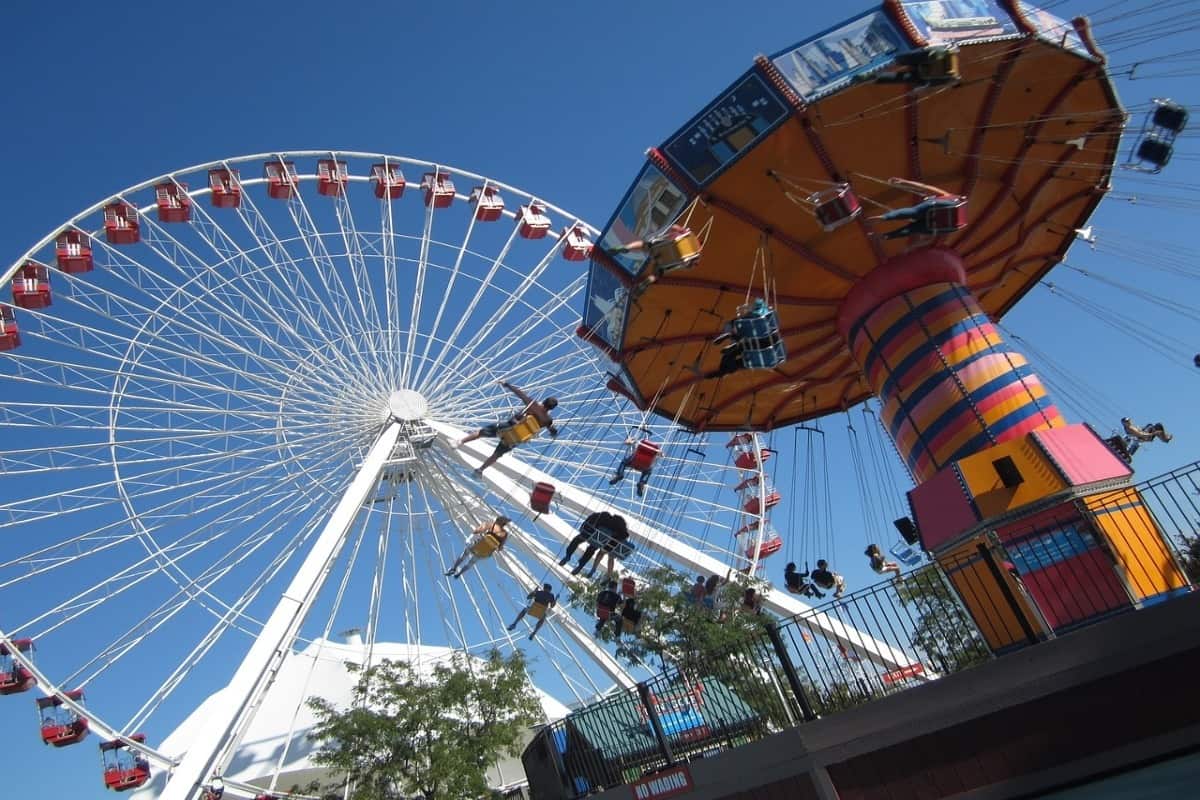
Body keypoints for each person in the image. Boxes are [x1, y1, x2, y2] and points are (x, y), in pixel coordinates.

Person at [457, 380, 559, 474]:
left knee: (481, 433)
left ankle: (460, 442)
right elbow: (552, 430)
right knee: (497, 454)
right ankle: (481, 470)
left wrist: (506, 384)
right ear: (552, 408)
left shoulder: (533, 404)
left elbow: (519, 393)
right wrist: (553, 433)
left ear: (544, 401)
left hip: (510, 427)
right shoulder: (548, 420)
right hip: (516, 438)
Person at [870, 177, 965, 240]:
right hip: (936, 224)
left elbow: (925, 187)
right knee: (912, 229)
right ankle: (887, 236)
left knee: (913, 211)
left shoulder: (949, 196)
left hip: (935, 206)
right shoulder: (956, 219)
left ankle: (884, 217)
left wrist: (904, 182)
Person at [445, 516, 511, 579]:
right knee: (471, 563)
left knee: (464, 555)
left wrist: (477, 533)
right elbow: (500, 548)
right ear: (504, 523)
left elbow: (477, 531)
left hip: (476, 546)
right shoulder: (505, 534)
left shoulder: (491, 525)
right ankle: (460, 573)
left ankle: (454, 568)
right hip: (485, 553)